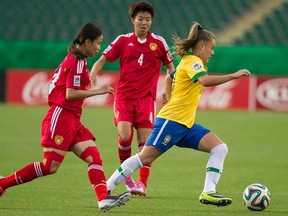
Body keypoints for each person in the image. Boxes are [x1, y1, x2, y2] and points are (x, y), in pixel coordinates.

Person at [105, 22, 251, 207]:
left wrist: (169, 95)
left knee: (219, 148)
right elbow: (204, 81)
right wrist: (234, 75)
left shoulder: (188, 63)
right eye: (211, 48)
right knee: (145, 157)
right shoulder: (193, 62)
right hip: (171, 121)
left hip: (186, 125)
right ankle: (106, 188)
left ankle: (208, 191)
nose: (212, 53)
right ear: (201, 46)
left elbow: (169, 77)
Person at [0, 23, 131, 212]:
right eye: (97, 43)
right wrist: (98, 91)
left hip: (72, 119)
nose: (98, 48)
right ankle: (3, 184)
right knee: (49, 167)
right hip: (61, 116)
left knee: (94, 156)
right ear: (87, 42)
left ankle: (103, 198)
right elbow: (70, 94)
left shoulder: (79, 59)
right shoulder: (76, 62)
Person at [90, 1, 175, 196]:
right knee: (125, 136)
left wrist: (168, 86)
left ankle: (142, 184)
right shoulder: (123, 40)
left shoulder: (159, 42)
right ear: (132, 20)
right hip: (124, 97)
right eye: (140, 19)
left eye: (148, 19)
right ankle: (127, 179)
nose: (144, 23)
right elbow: (102, 59)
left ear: (151, 22)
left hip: (146, 99)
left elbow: (171, 68)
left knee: (146, 143)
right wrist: (93, 74)